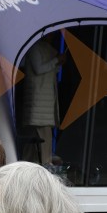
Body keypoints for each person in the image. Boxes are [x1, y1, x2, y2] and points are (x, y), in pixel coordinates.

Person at [22, 33, 65, 166]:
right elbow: (39, 68)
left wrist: (59, 62)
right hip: (38, 99)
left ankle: (37, 162)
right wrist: (57, 60)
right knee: (41, 135)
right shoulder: (34, 48)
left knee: (42, 135)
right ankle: (44, 163)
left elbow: (52, 70)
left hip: (45, 99)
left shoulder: (48, 48)